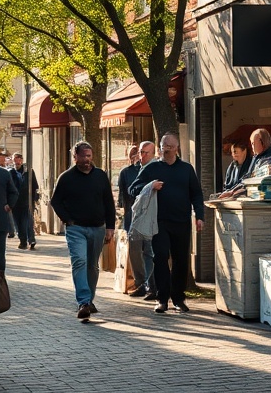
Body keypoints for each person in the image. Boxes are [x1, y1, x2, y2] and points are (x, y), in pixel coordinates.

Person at [130, 132, 205, 314]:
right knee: (160, 257)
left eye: (170, 147)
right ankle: (162, 299)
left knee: (181, 261)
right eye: (163, 147)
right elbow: (133, 188)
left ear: (177, 148)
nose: (166, 151)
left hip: (182, 221)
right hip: (159, 222)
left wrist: (199, 216)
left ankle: (178, 298)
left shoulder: (186, 169)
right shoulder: (152, 168)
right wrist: (150, 186)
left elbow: (196, 193)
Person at [49, 141, 115, 321]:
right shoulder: (66, 177)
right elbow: (55, 202)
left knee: (92, 265)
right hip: (76, 228)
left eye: (89, 156)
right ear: (75, 157)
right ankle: (83, 302)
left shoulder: (101, 175)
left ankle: (89, 300)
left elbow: (109, 202)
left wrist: (110, 226)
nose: (86, 160)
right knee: (79, 261)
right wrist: (67, 220)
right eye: (83, 156)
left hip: (98, 228)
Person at [117, 142, 156, 299]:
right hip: (132, 217)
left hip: (150, 218)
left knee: (149, 251)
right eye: (137, 152)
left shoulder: (154, 168)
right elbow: (124, 194)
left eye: (142, 152)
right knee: (134, 252)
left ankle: (151, 285)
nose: (139, 156)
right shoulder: (126, 172)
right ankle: (140, 283)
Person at [10, 153, 39, 250]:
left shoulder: (29, 172)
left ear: (22, 160)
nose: (17, 161)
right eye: (15, 159)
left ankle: (31, 240)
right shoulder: (11, 172)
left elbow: (35, 185)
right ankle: (22, 241)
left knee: (27, 221)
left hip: (27, 201)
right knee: (18, 223)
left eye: (18, 159)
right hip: (15, 202)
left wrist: (35, 199)